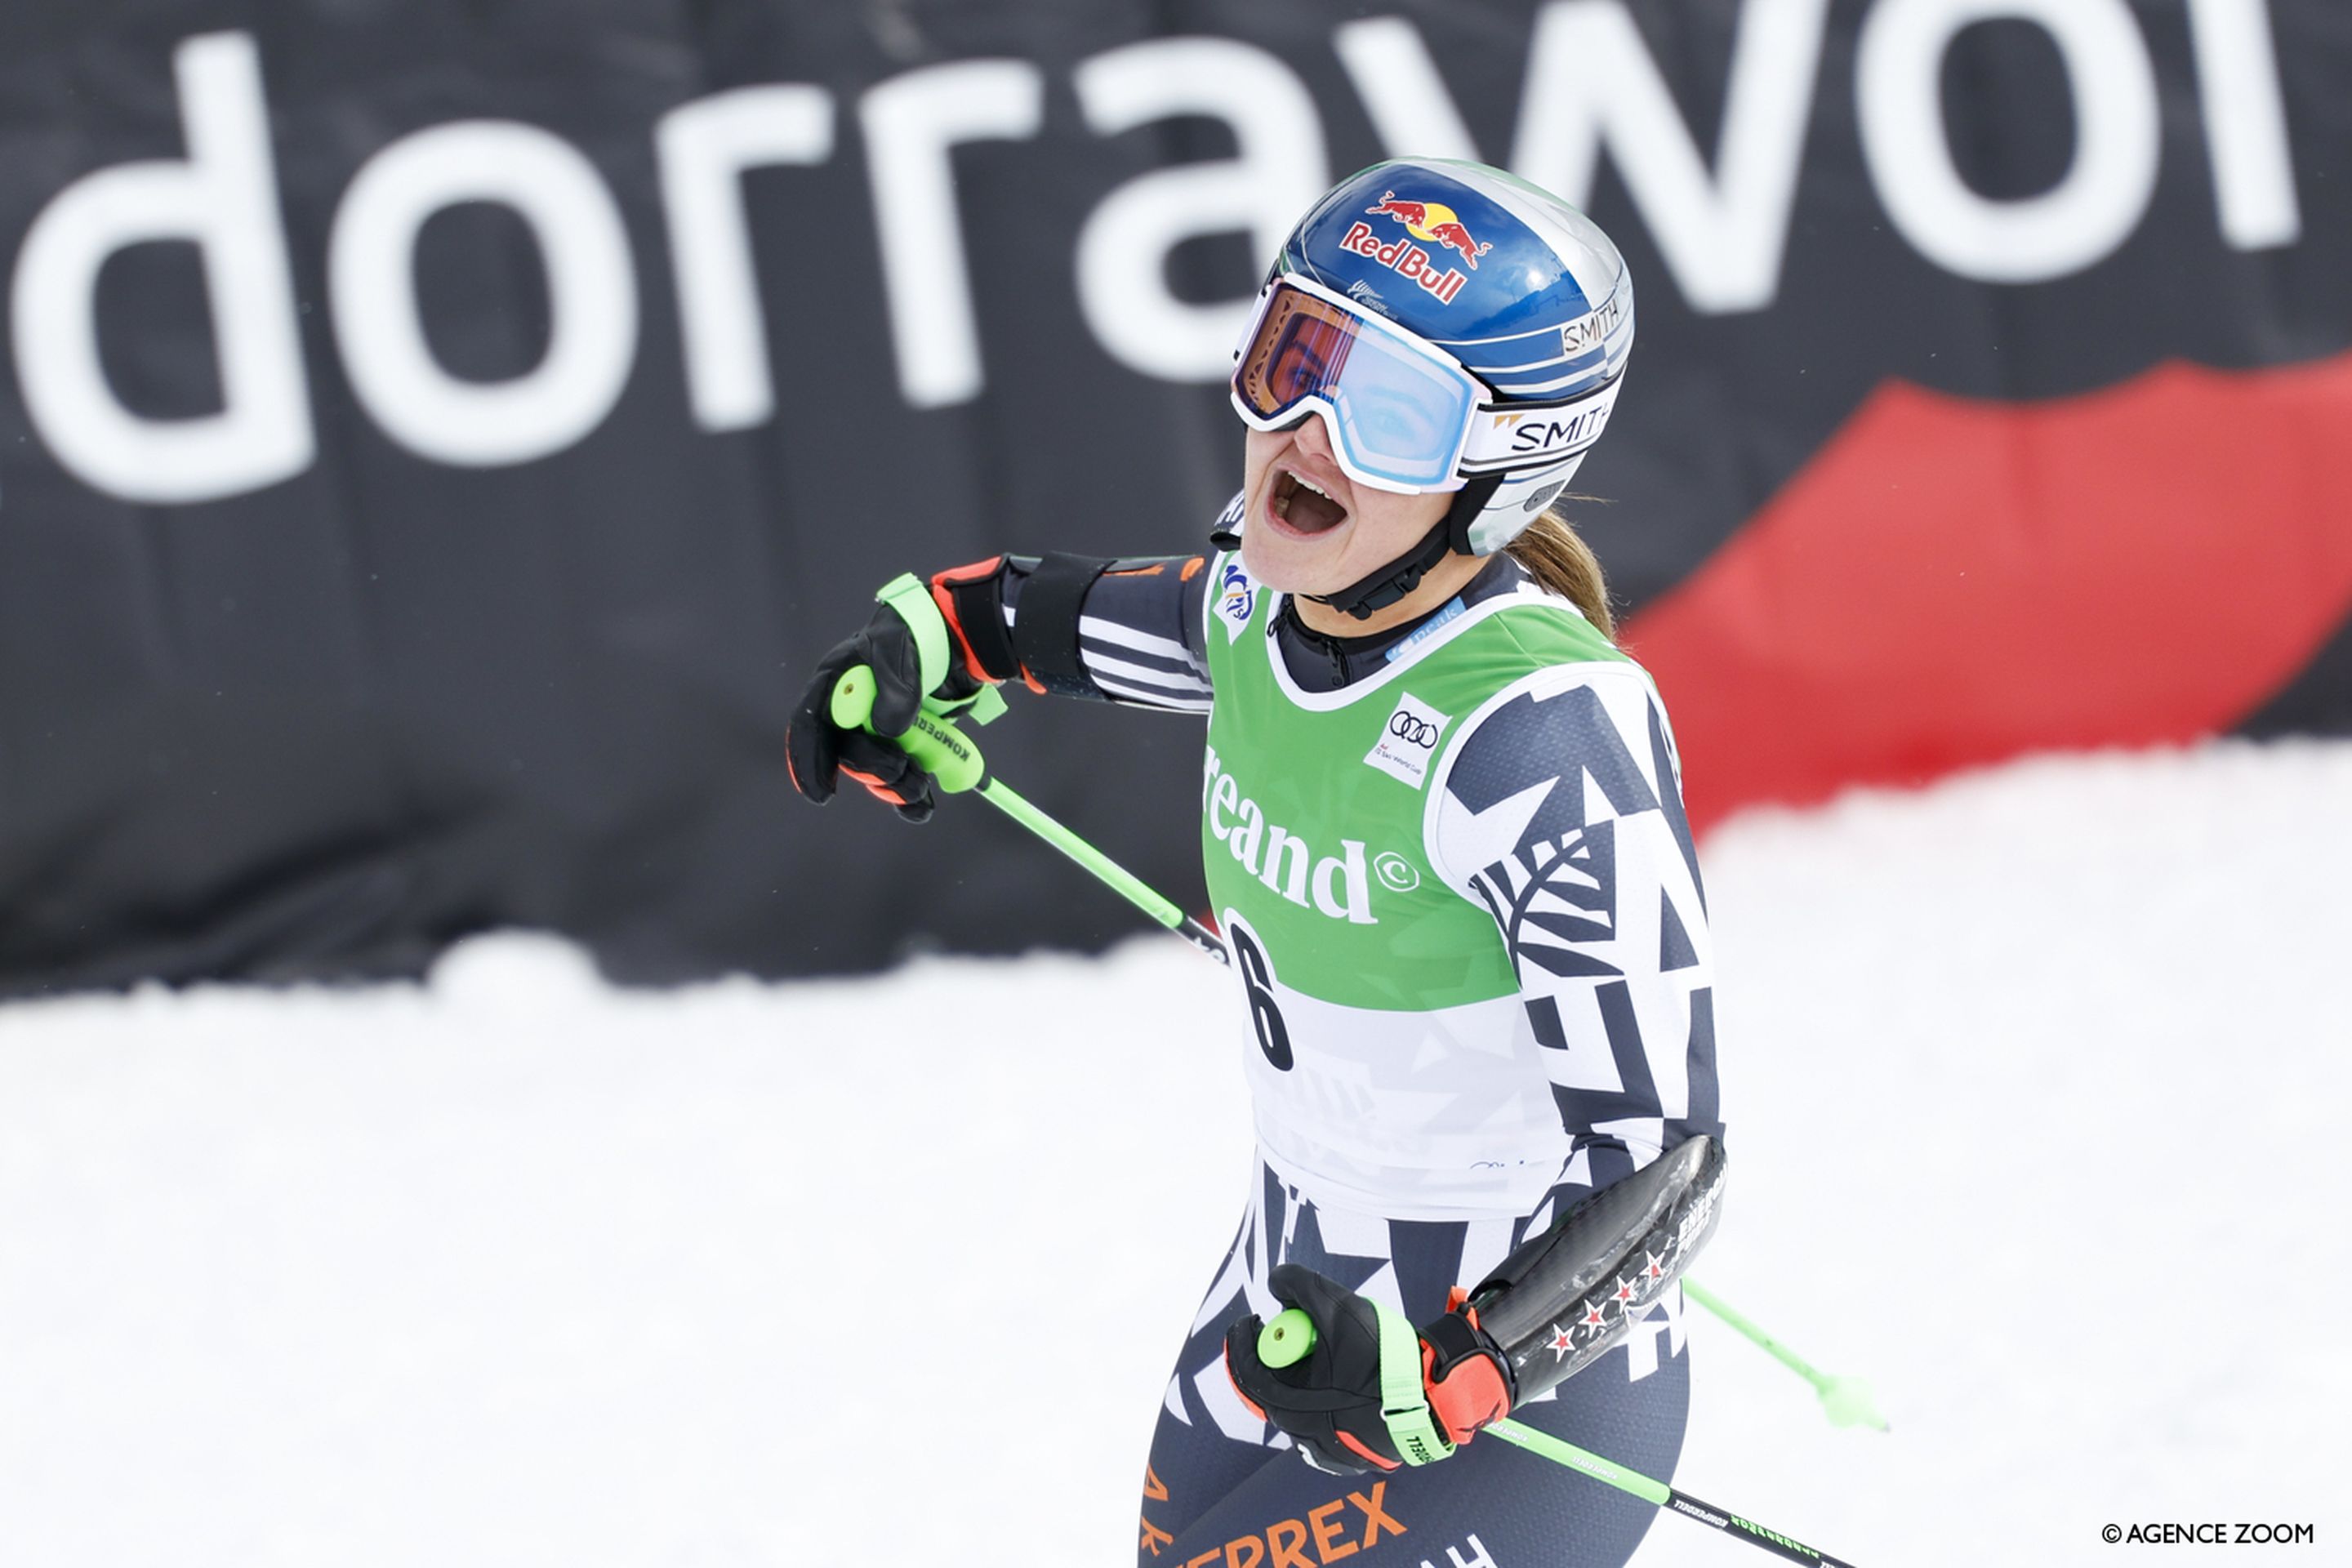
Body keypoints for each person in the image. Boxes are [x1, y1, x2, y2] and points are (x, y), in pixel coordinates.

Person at [786, 158, 1726, 1568]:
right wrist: (931, 642)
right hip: (1285, 1304)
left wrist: (1467, 1368)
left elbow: (1670, 1162)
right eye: (1298, 353)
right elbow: (1061, 622)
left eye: (1391, 416)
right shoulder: (1258, 612)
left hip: (1501, 1395)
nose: (1305, 435)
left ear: (1502, 470)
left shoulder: (1534, 733)